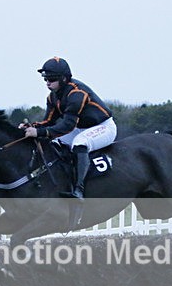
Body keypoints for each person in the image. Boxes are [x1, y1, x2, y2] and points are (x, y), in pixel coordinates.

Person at [20, 57, 116, 199]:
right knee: (52, 143)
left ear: (63, 79)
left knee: (80, 143)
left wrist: (39, 132)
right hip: (80, 128)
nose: (47, 83)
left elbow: (67, 125)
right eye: (45, 79)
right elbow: (48, 121)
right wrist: (31, 127)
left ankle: (79, 189)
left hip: (103, 127)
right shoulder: (52, 97)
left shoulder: (77, 94)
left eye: (51, 79)